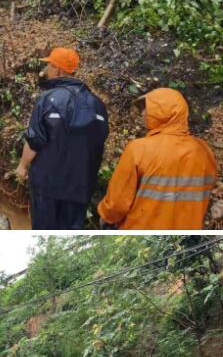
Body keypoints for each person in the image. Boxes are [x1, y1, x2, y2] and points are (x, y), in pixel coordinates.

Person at [98, 88, 218, 230]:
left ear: (161, 112)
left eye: (147, 108)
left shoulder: (139, 149)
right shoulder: (204, 151)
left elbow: (117, 203)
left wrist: (106, 217)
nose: (142, 113)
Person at [16, 47, 109, 230]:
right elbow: (99, 143)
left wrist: (22, 166)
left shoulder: (48, 99)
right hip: (80, 188)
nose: (45, 71)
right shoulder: (97, 105)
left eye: (49, 65)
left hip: (47, 186)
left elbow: (35, 140)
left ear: (58, 69)